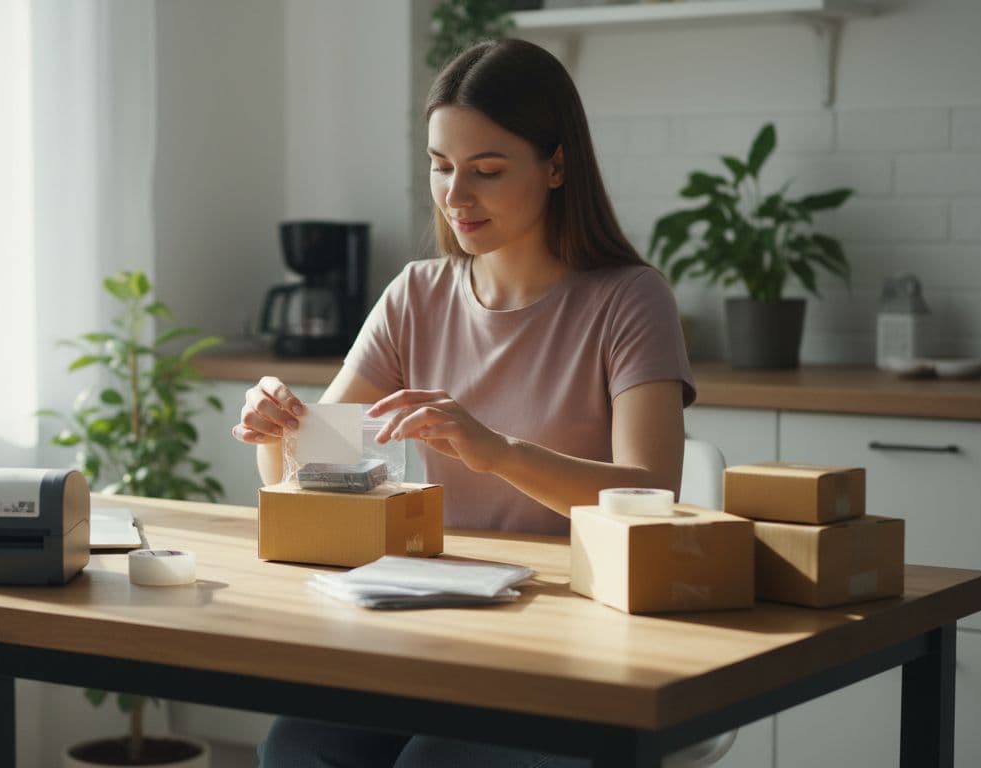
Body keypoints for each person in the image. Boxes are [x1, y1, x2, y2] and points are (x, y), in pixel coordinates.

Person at [232, 38, 694, 768]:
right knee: (300, 750)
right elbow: (305, 475)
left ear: (556, 165)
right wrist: (275, 430)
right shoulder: (416, 294)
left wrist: (500, 453)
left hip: (578, 639)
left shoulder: (629, 299)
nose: (456, 197)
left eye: (485, 171)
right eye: (441, 168)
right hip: (438, 624)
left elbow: (653, 490)